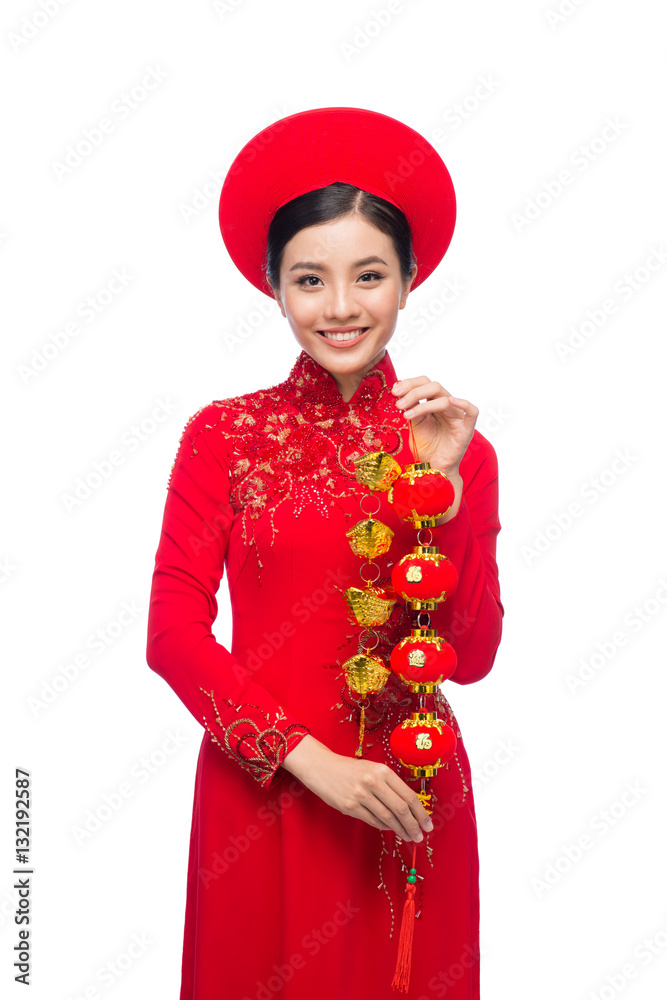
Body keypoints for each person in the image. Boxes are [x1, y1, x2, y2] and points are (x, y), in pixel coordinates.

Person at [146, 107, 504, 1000]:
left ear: (408, 281)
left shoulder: (452, 442)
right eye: (310, 279)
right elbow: (171, 633)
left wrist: (444, 493)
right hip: (261, 786)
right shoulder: (223, 436)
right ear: (274, 287)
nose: (340, 308)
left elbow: (475, 655)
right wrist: (306, 758)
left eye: (368, 276)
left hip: (407, 792)